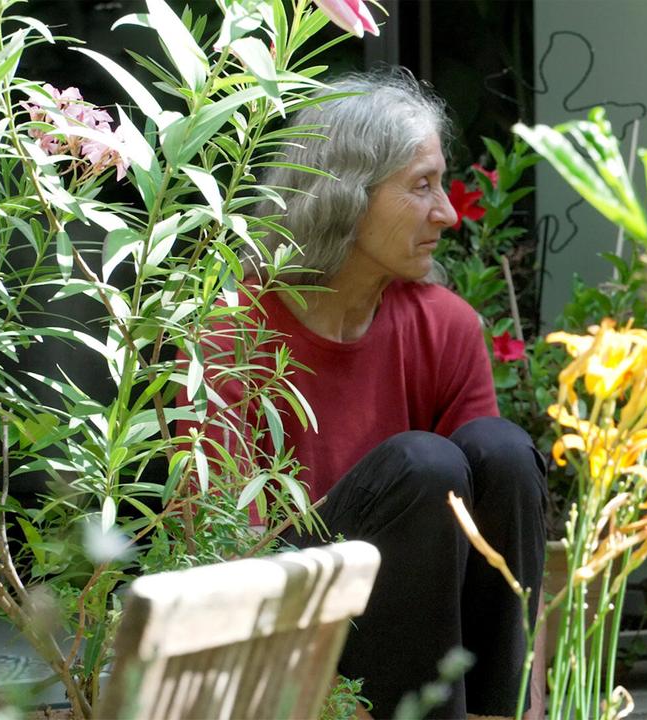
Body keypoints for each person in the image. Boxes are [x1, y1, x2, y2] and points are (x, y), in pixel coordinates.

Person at [192, 70, 547, 719]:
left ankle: (505, 713)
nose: (447, 212)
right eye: (421, 186)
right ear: (346, 197)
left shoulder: (447, 325)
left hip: (430, 625)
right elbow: (219, 556)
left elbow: (489, 535)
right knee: (425, 464)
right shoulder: (232, 331)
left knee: (502, 450)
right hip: (285, 628)